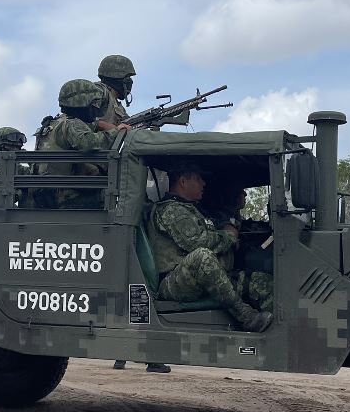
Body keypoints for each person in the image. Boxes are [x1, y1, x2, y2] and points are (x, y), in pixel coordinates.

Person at [146, 164, 273, 332]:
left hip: (205, 277)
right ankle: (245, 316)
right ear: (183, 181)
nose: (203, 183)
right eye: (198, 179)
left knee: (262, 283)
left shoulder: (191, 208)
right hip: (174, 282)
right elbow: (198, 243)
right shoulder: (171, 210)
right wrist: (228, 237)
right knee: (201, 256)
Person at [33, 79, 128, 210]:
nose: (96, 107)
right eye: (93, 103)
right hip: (66, 197)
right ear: (81, 102)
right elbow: (88, 143)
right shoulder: (72, 124)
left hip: (48, 193)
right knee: (123, 197)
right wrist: (117, 132)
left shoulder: (54, 123)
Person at [96, 54, 136, 128]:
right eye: (127, 77)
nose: (130, 81)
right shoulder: (98, 91)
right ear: (116, 76)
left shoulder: (117, 104)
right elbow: (79, 120)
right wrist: (115, 129)